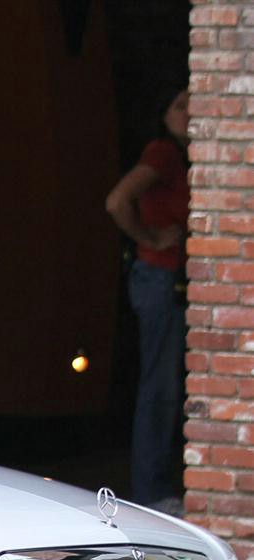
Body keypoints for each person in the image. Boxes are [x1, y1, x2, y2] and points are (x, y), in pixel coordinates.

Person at [106, 90, 189, 514]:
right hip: (158, 276)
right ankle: (151, 493)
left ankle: (154, 486)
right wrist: (150, 238)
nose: (190, 109)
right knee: (160, 386)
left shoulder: (184, 156)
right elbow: (117, 200)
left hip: (166, 279)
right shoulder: (163, 152)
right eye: (179, 103)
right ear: (163, 114)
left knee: (165, 383)